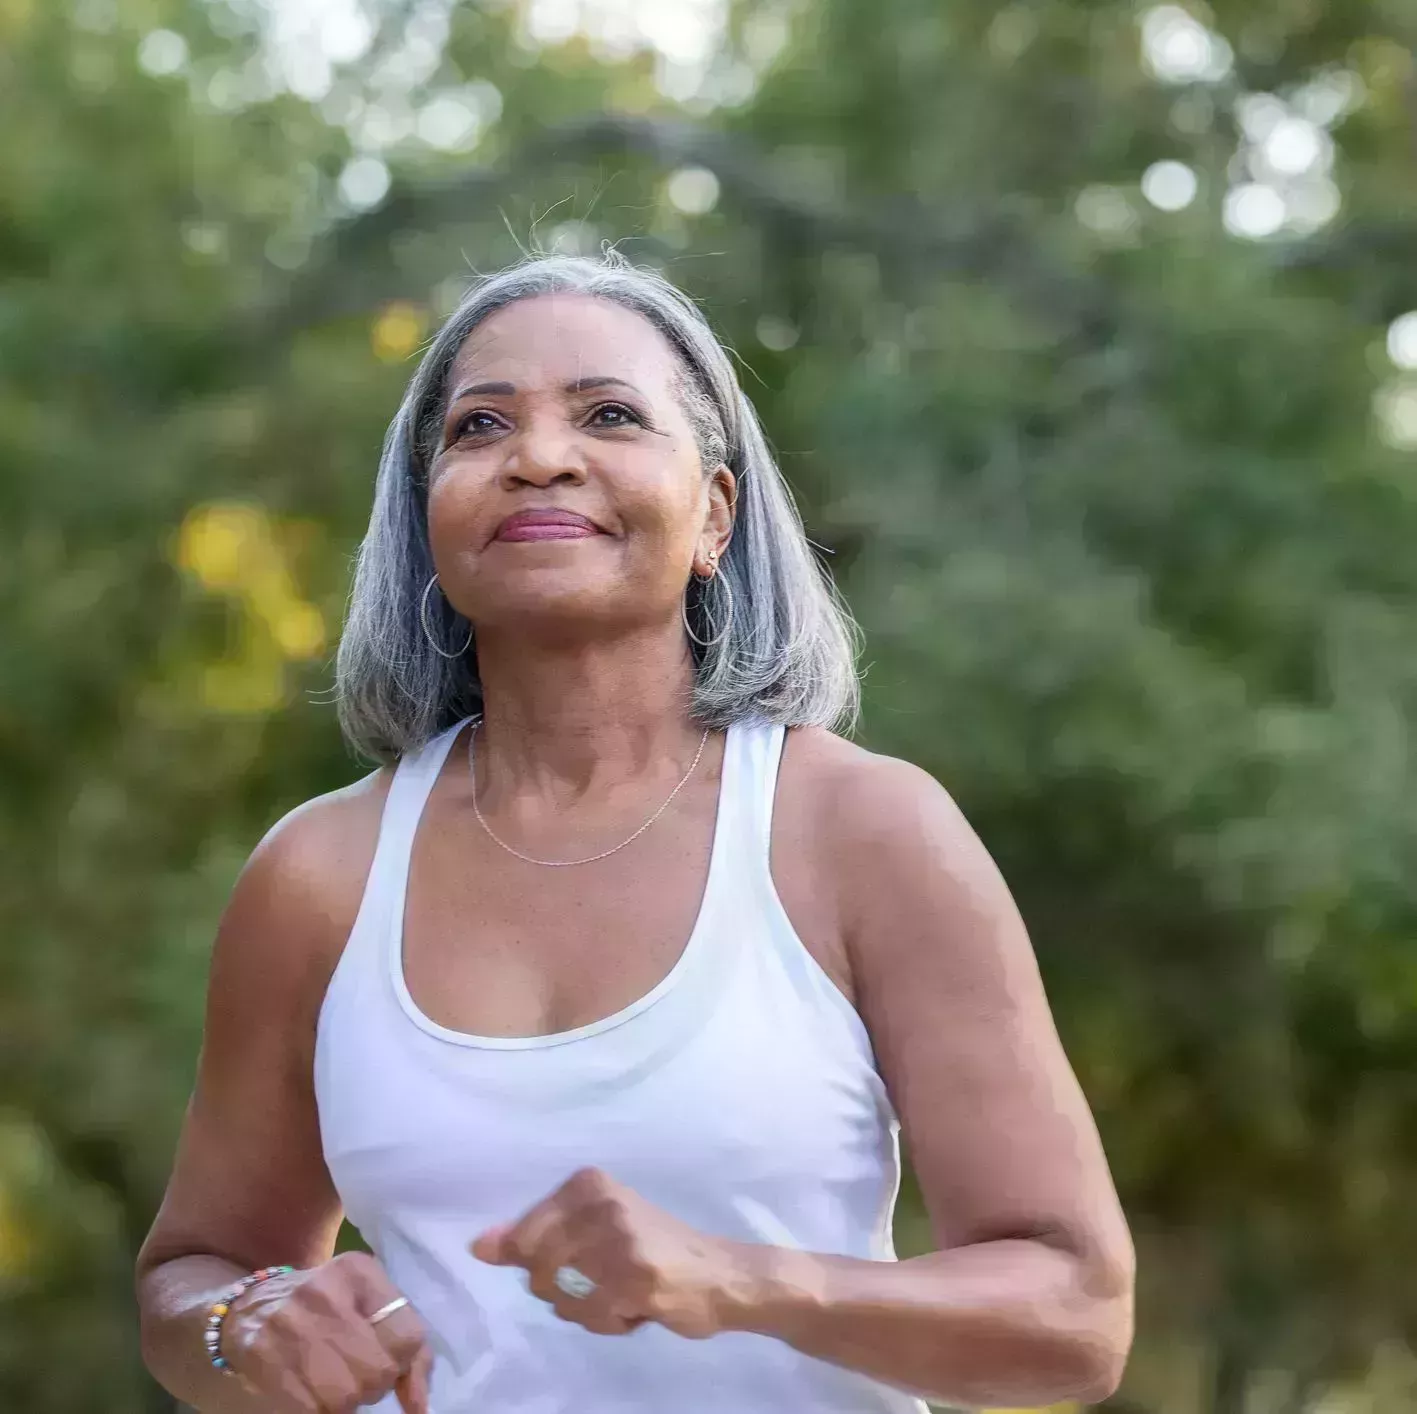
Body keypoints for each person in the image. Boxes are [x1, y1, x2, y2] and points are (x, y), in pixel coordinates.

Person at [135, 251, 1135, 1414]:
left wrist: (743, 1280)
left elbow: (1074, 1318)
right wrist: (242, 1324)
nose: (539, 455)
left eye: (608, 414)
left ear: (713, 513)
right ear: (429, 524)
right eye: (478, 427)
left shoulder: (860, 831)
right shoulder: (319, 875)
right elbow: (188, 1276)